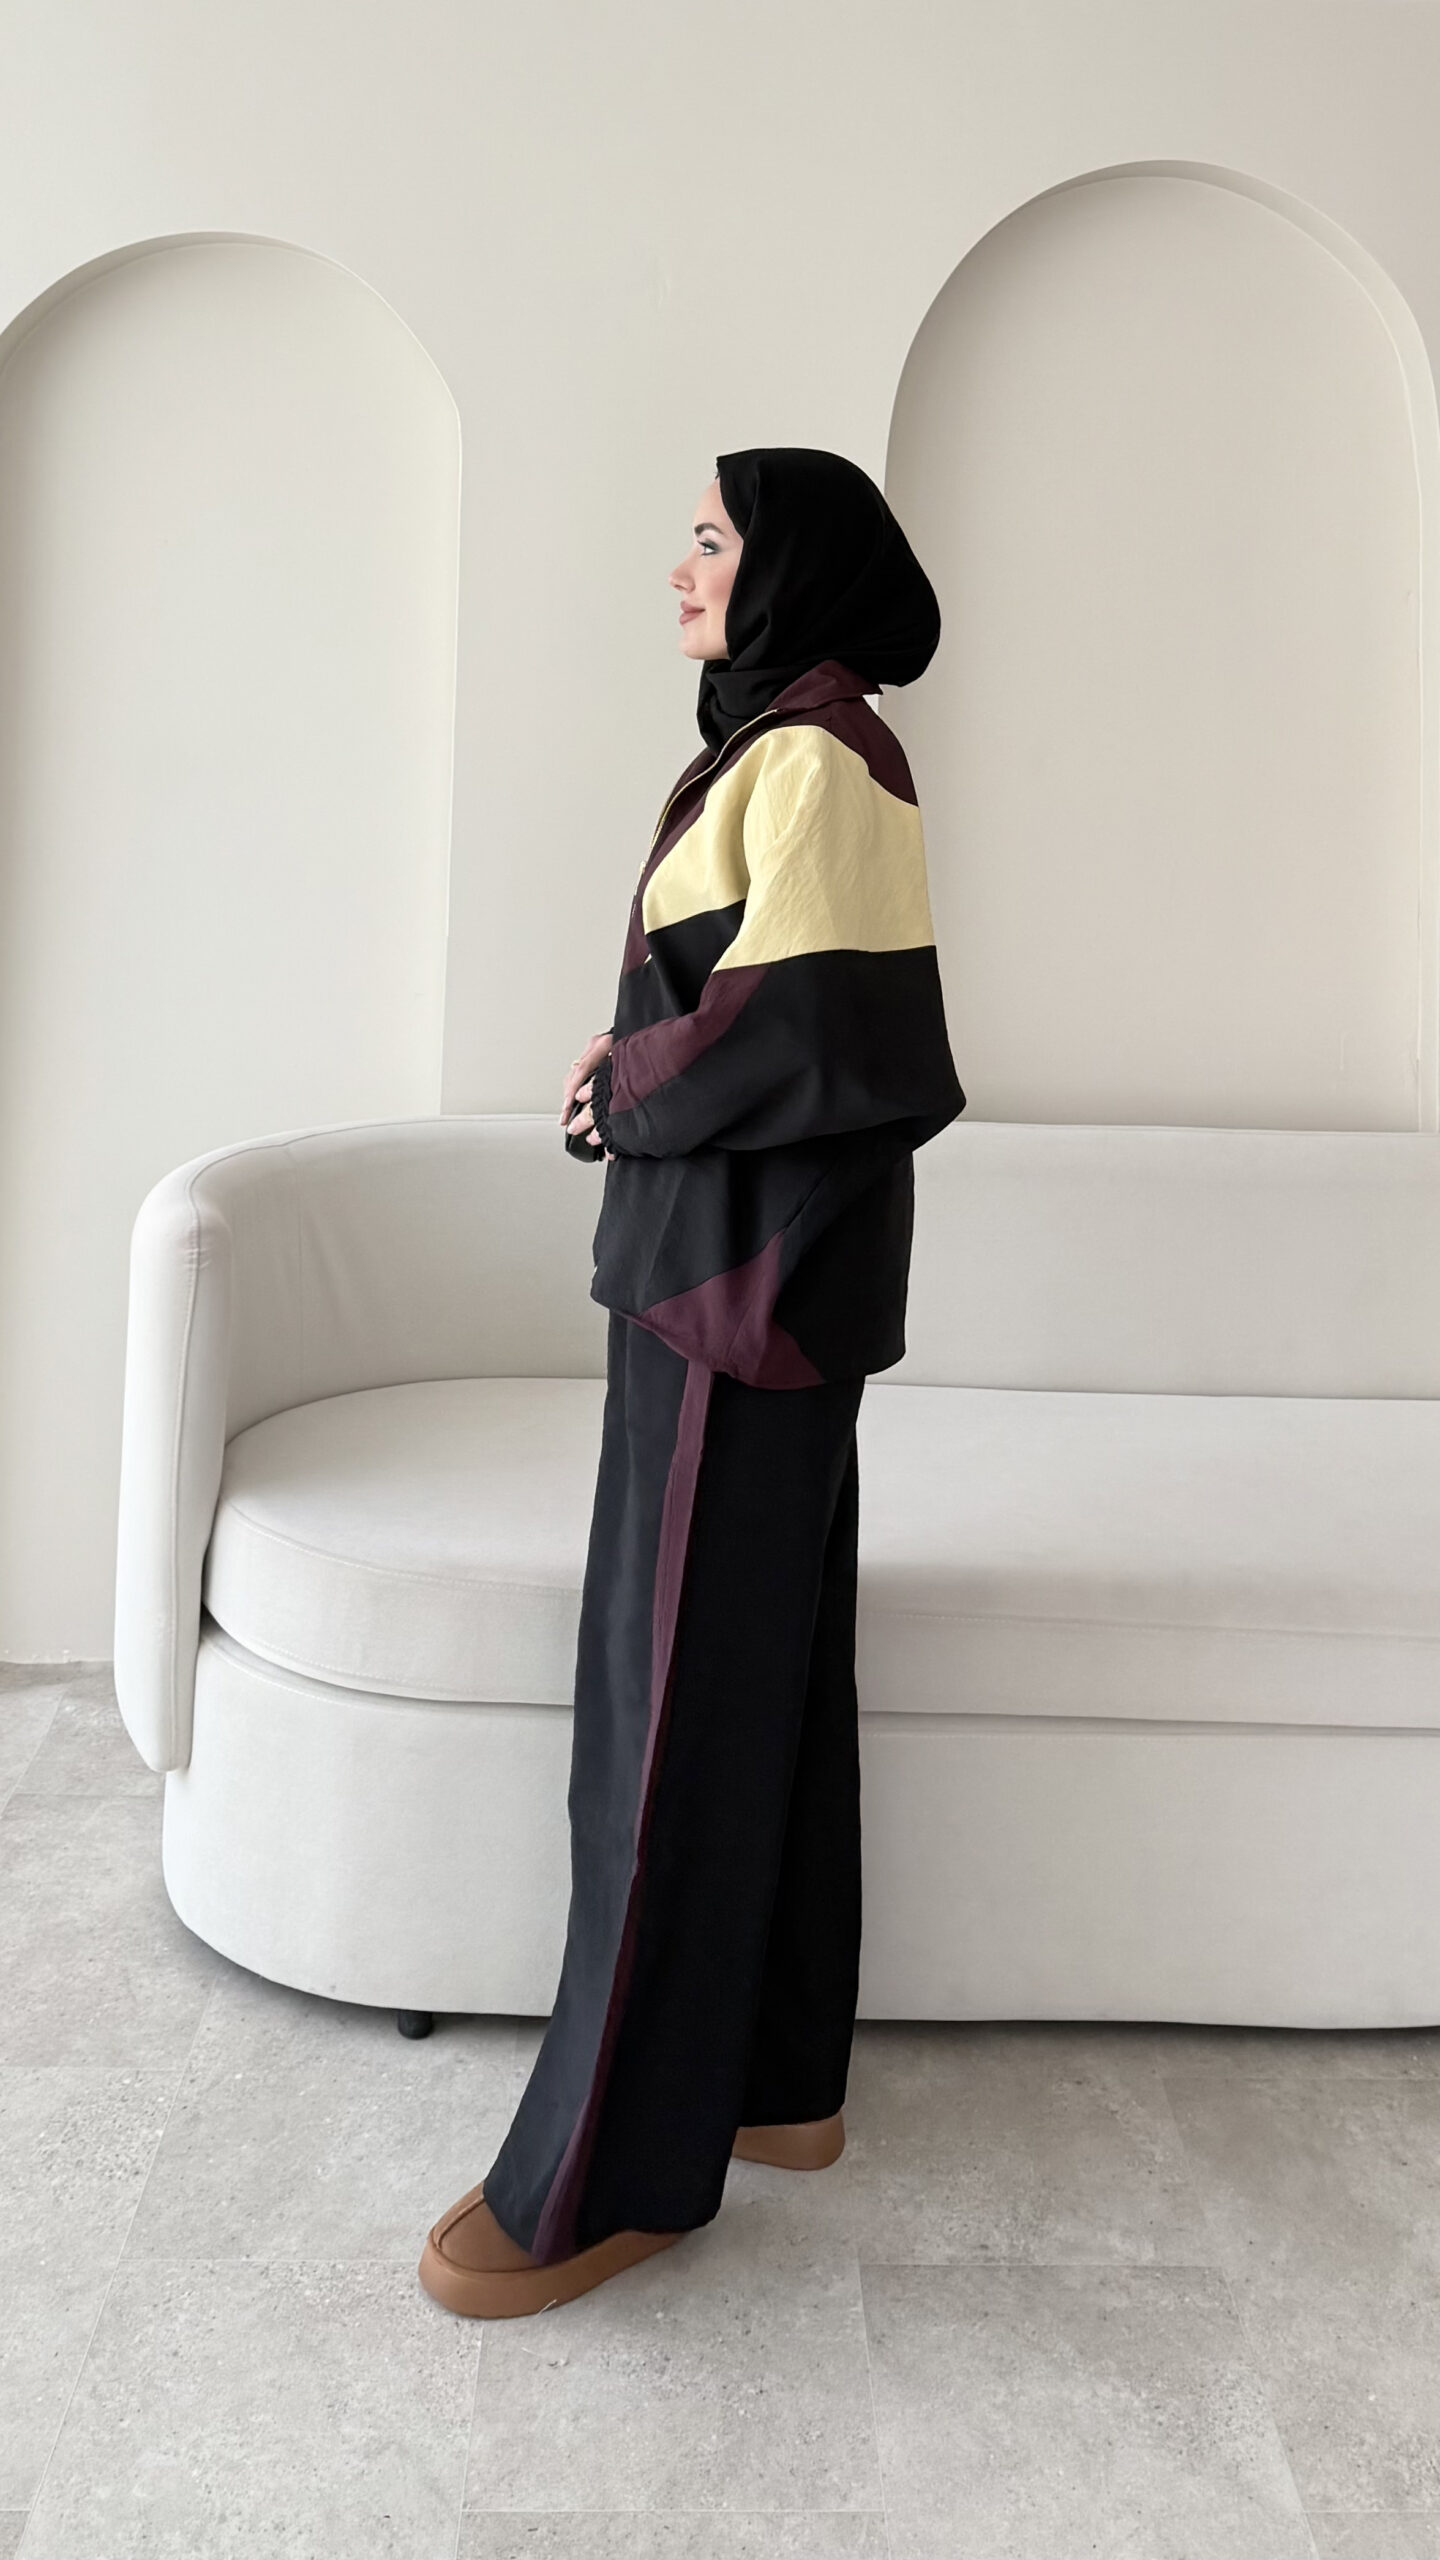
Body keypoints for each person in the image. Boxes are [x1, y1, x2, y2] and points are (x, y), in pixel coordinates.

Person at [419, 446, 965, 2320]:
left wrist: (621, 1096)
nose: (683, 568)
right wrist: (636, 1051)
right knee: (764, 1700)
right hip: (753, 1290)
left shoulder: (816, 756)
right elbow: (753, 997)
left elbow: (828, 1034)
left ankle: (608, 2178)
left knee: (658, 1738)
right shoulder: (799, 748)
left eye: (714, 540)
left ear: (789, 568)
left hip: (732, 1302)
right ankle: (772, 2084)